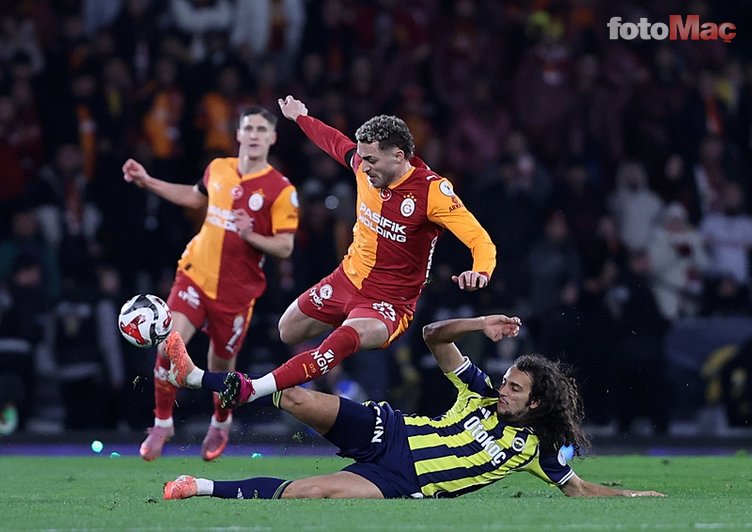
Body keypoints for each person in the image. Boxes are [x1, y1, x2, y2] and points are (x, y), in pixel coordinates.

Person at [198, 94, 496, 408]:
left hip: (389, 302)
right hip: (346, 280)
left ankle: (254, 388)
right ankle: (344, 338)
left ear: (398, 156)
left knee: (339, 341)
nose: (363, 167)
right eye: (362, 158)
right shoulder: (363, 166)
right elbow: (334, 142)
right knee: (287, 330)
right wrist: (300, 117)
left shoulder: (433, 191)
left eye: (372, 160)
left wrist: (481, 271)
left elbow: (480, 240)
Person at [160, 315, 665, 500]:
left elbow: (579, 490)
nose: (503, 390)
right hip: (388, 429)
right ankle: (195, 376)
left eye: (514, 388)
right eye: (506, 381)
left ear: (535, 402)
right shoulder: (479, 390)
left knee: (312, 492)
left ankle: (197, 487)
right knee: (292, 394)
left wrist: (637, 496)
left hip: (402, 480)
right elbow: (432, 336)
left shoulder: (537, 449)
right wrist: (480, 323)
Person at [122, 105, 299, 461]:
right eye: (248, 128)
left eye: (261, 130)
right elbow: (195, 196)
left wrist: (251, 235)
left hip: (235, 292)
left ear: (272, 138)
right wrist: (148, 181)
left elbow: (285, 246)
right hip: (194, 274)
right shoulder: (218, 168)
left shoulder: (281, 189)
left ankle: (221, 421)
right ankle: (162, 423)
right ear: (238, 134)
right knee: (167, 345)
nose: (254, 135)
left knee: (219, 367)